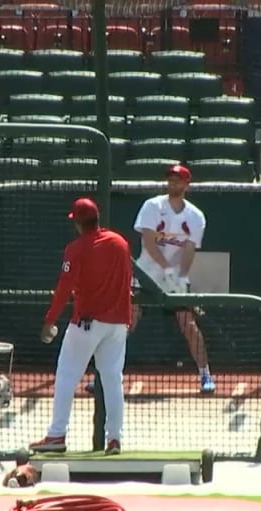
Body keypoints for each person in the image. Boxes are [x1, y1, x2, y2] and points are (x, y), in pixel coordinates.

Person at [29, 197, 133, 455]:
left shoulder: (75, 249)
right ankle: (114, 439)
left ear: (77, 222)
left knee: (66, 376)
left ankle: (56, 435)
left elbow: (64, 288)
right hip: (118, 324)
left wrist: (49, 320)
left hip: (87, 323)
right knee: (112, 380)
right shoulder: (120, 243)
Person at [132, 164, 216, 394]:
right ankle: (104, 374)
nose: (173, 183)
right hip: (146, 274)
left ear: (186, 184)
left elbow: (189, 249)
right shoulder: (152, 206)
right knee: (126, 323)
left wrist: (181, 276)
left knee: (188, 324)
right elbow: (149, 241)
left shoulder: (195, 216)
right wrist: (166, 268)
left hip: (175, 281)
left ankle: (205, 374)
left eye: (178, 180)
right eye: (170, 179)